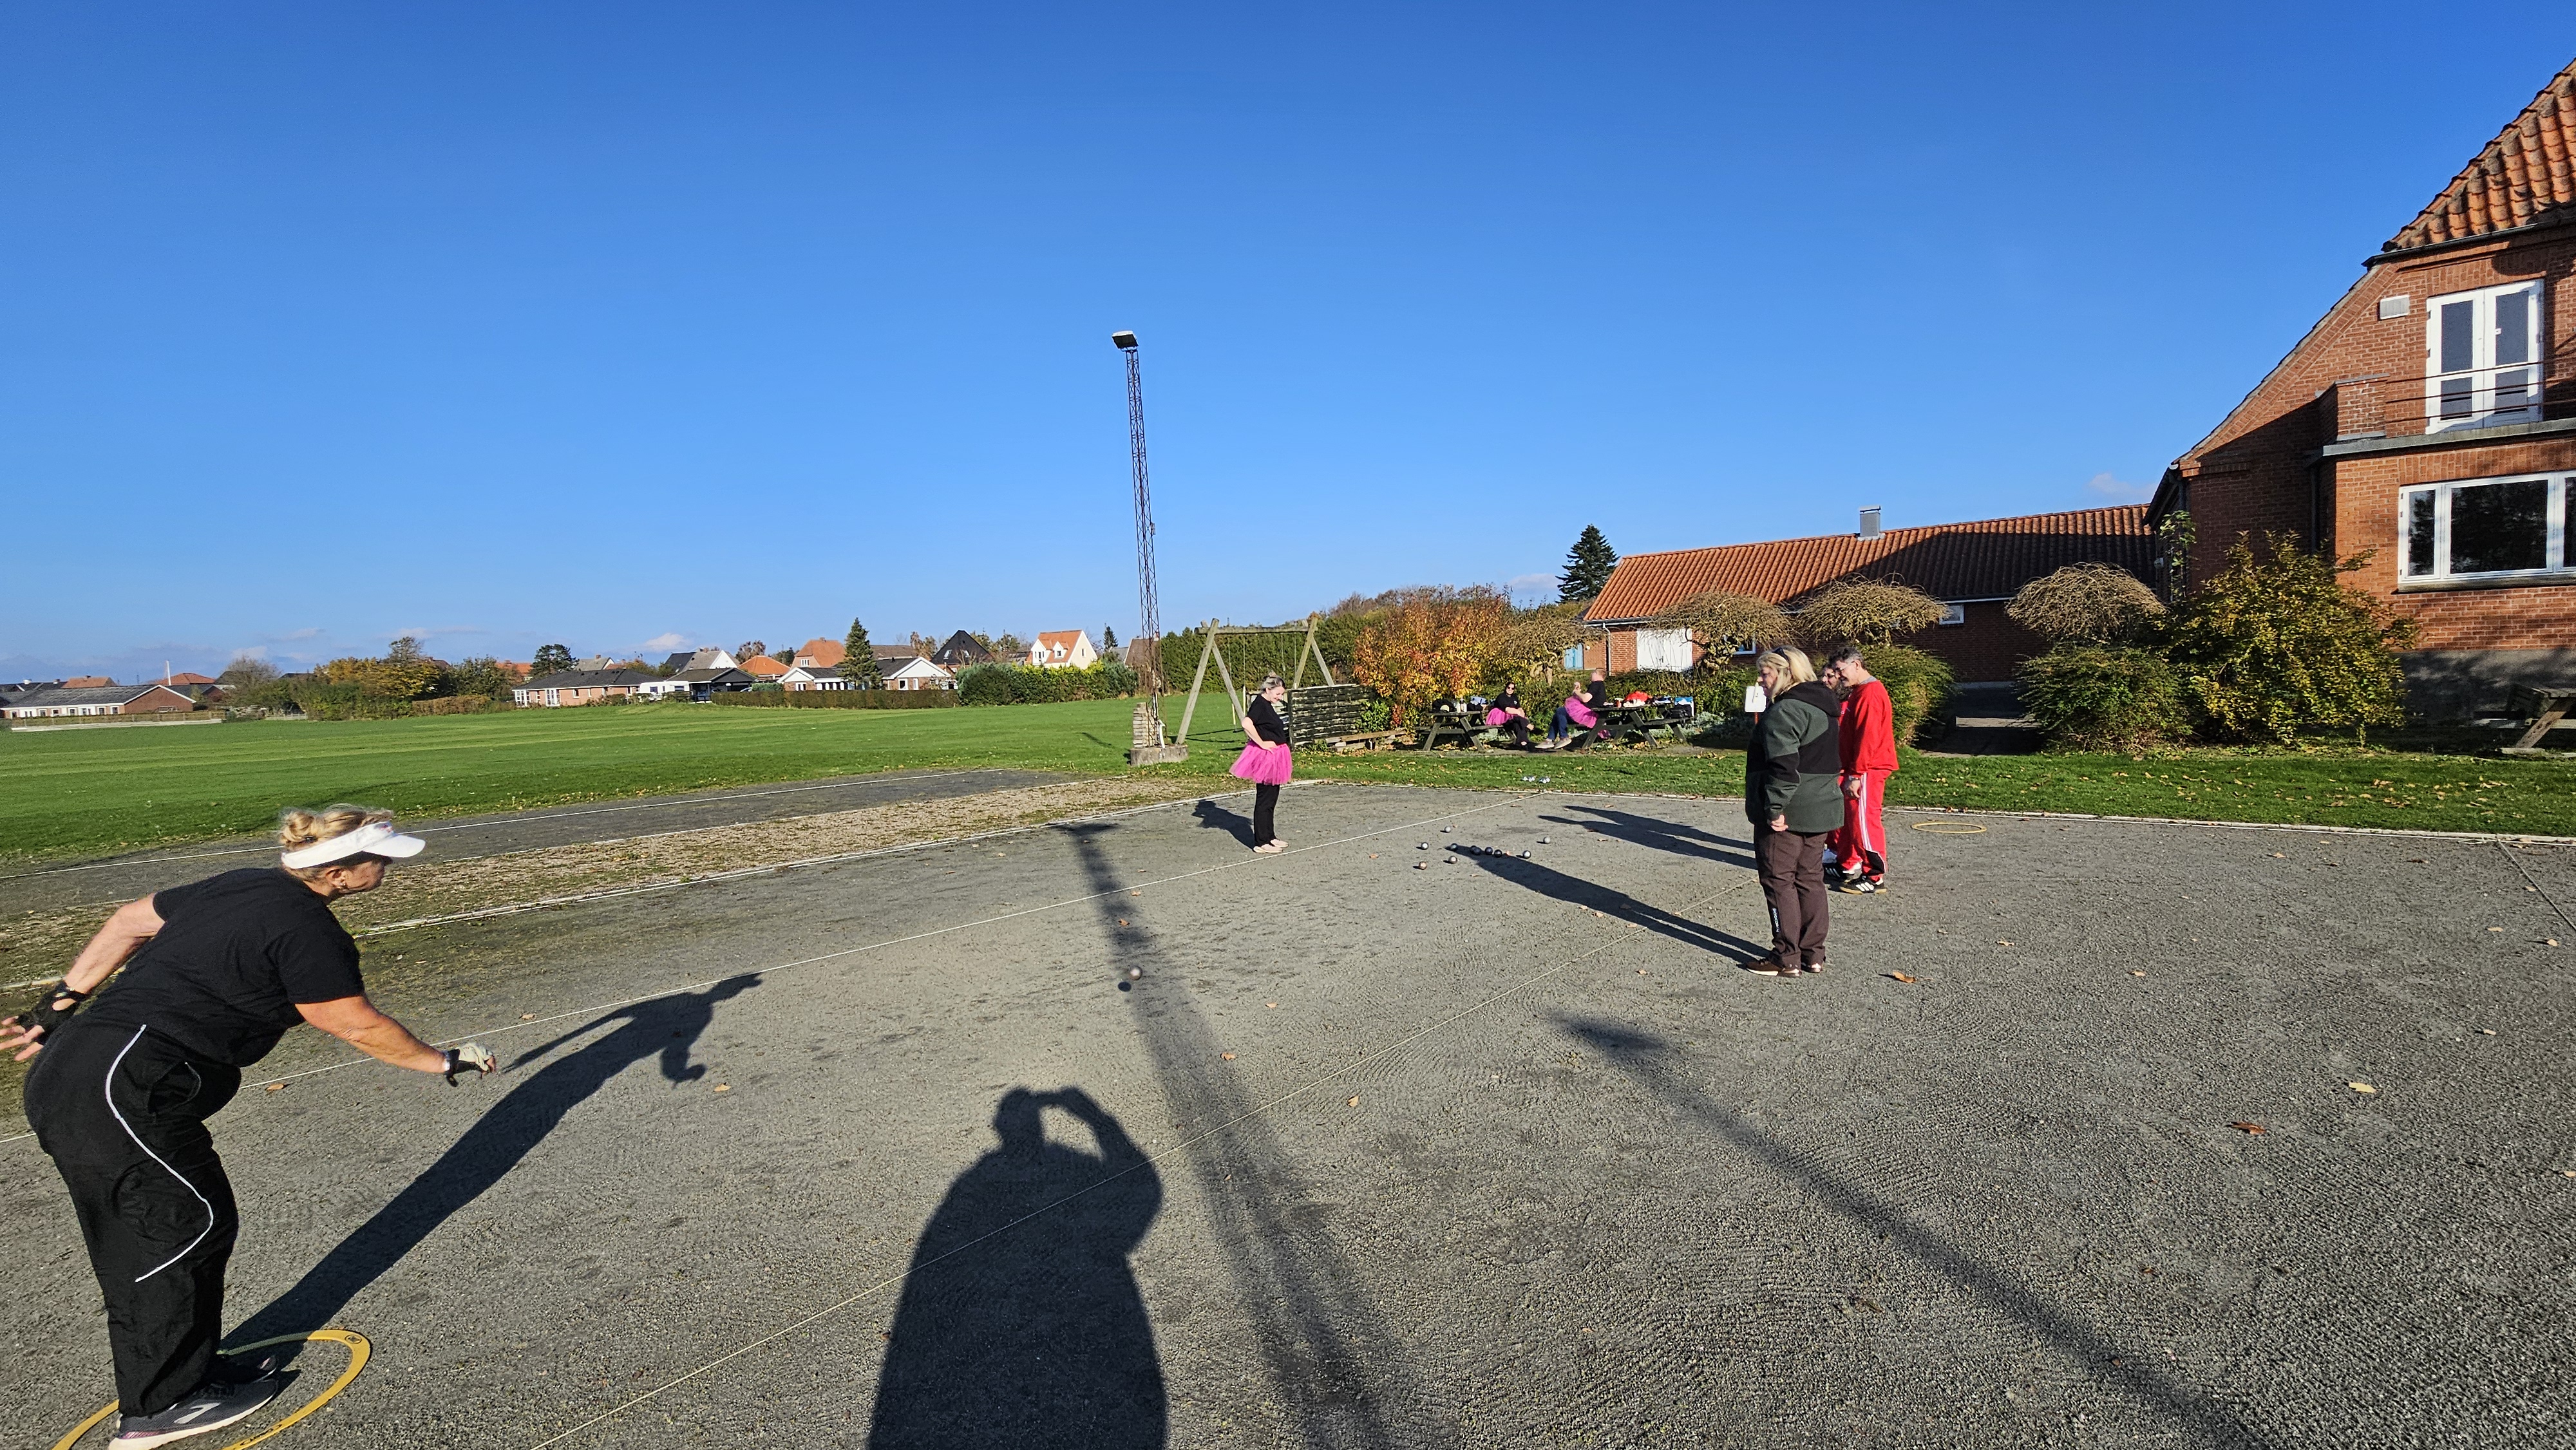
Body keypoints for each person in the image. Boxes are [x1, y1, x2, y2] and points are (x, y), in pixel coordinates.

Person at [5, 806, 495, 1448]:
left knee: (160, 1229)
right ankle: (161, 1406)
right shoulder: (307, 929)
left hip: (83, 1069)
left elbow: (129, 921)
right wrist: (442, 1060)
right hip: (122, 1085)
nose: (388, 867)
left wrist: (58, 1003)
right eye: (380, 859)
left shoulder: (240, 884)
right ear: (340, 873)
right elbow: (352, 1022)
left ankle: (187, 1373)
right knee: (182, 1227)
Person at [1742, 648, 1843, 977]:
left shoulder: (1785, 711)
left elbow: (1784, 767)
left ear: (1785, 673)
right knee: (1810, 878)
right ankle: (1813, 954)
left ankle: (1786, 956)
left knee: (1778, 879)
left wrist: (1774, 808)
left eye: (1765, 673)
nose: (1760, 680)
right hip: (1822, 805)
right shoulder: (1824, 707)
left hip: (1790, 809)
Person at [1821, 645, 1899, 894]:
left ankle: (1874, 875)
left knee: (1864, 821)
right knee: (1850, 819)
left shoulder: (1870, 693)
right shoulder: (1859, 692)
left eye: (1840, 670)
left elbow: (1868, 737)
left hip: (1868, 768)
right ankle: (1846, 863)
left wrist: (1856, 774)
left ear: (1856, 665)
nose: (1838, 675)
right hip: (1857, 767)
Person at [1231, 674, 1293, 854]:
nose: (1280, 697)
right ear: (1268, 690)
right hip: (1266, 758)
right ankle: (1261, 841)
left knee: (1271, 798)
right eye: (1278, 694)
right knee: (1265, 799)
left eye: (1281, 694)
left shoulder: (1267, 705)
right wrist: (1261, 743)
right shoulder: (1260, 704)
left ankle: (1270, 836)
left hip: (1275, 757)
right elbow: (1246, 723)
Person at [1542, 668, 1611, 749]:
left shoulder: (1596, 684)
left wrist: (1576, 693)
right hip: (1591, 715)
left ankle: (1563, 738)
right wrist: (1578, 692)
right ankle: (1550, 740)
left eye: (1593, 673)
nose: (1591, 674)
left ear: (1597, 674)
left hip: (1588, 715)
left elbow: (1585, 699)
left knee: (1560, 711)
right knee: (1559, 713)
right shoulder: (1600, 686)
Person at [1484, 682, 1535, 749]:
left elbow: (1518, 707)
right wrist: (1518, 712)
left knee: (1518, 725)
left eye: (1512, 688)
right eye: (1509, 688)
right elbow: (1506, 709)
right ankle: (1531, 727)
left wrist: (1521, 712)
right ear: (1506, 688)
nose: (1510, 690)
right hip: (1503, 717)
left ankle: (1523, 743)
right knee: (1518, 719)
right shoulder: (1501, 697)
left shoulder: (1514, 697)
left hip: (1513, 718)